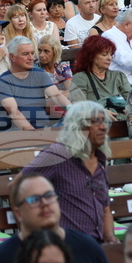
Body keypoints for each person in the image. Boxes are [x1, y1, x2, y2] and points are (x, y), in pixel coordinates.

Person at [22, 101, 117, 243]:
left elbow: (105, 207)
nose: (103, 127)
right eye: (95, 122)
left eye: (104, 122)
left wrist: (110, 237)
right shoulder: (57, 154)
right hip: (65, 245)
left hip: (96, 245)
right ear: (78, 126)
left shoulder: (100, 158)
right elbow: (17, 186)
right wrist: (29, 232)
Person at [0, 37, 69, 131]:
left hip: (41, 129)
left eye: (32, 53)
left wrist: (71, 109)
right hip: (15, 131)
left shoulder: (39, 74)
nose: (31, 58)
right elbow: (14, 113)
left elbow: (56, 95)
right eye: (25, 54)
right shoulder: (3, 81)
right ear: (12, 57)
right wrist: (34, 135)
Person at [69, 35, 131, 118]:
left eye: (111, 54)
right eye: (104, 54)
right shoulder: (81, 78)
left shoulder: (118, 76)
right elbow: (78, 106)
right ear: (91, 56)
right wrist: (98, 112)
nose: (109, 58)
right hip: (96, 122)